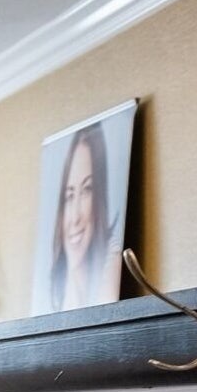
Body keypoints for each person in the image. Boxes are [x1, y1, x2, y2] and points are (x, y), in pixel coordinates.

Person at [45, 121, 120, 311]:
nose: (75, 217)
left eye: (86, 190)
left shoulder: (112, 262)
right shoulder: (51, 298)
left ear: (100, 197)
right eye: (69, 196)